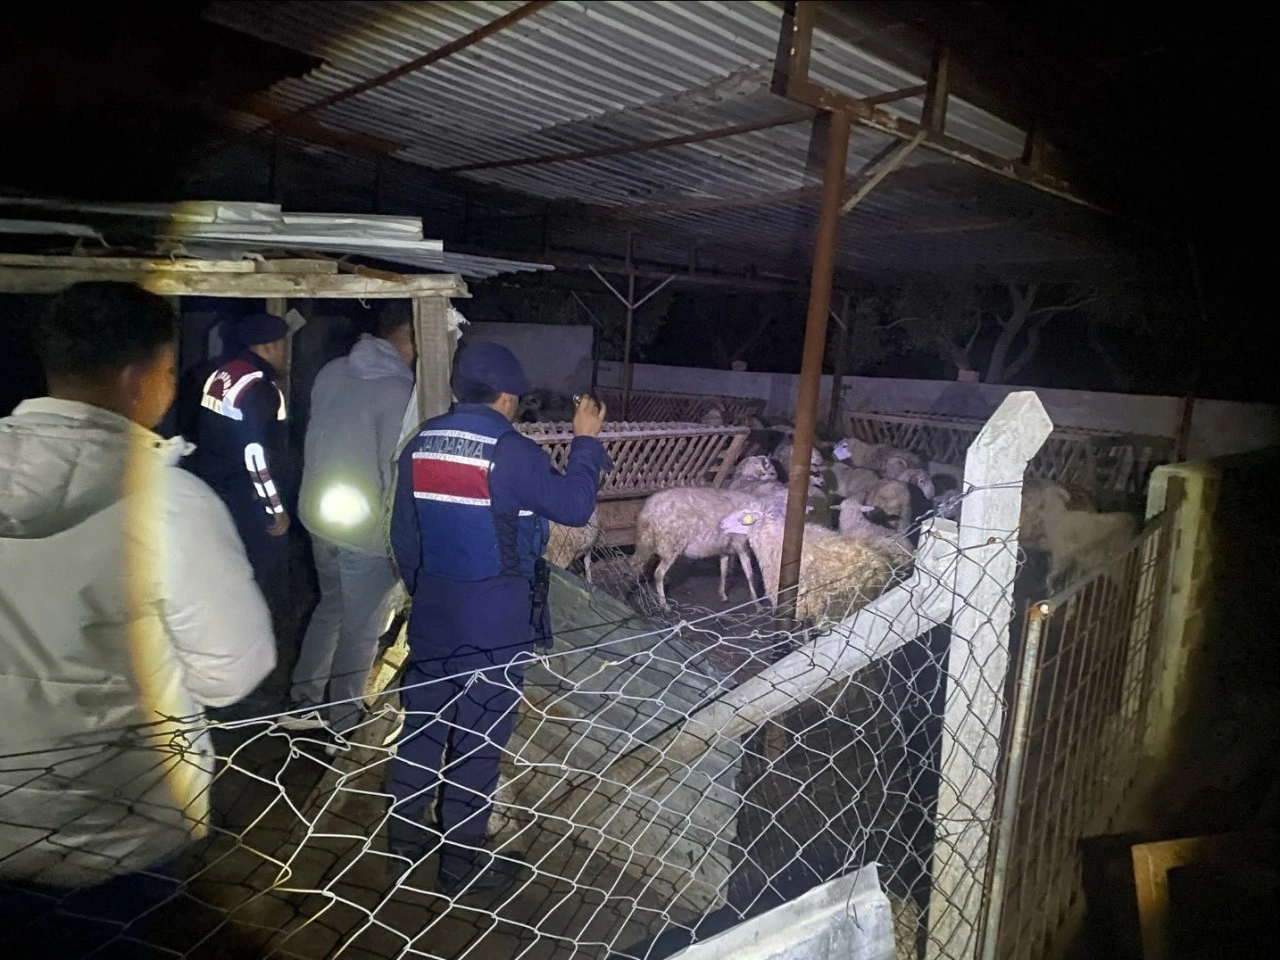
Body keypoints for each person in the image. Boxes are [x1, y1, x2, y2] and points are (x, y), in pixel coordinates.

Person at [0, 283, 274, 906]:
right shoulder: (170, 505)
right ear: (135, 378)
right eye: (170, 371)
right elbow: (232, 673)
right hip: (117, 827)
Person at [387, 341, 607, 895]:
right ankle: (459, 861)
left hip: (434, 611)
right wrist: (585, 441)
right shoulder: (512, 453)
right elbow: (575, 506)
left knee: (423, 727)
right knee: (479, 739)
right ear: (508, 397)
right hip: (494, 622)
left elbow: (404, 534)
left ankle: (404, 842)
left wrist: (426, 591)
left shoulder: (421, 444)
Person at [286, 304, 416, 735]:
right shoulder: (400, 390)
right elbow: (393, 471)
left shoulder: (332, 371)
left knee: (331, 608)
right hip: (364, 530)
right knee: (361, 630)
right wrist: (402, 535)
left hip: (320, 513)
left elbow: (315, 437)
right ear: (411, 337)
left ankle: (303, 702)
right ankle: (343, 724)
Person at [187, 312, 291, 588]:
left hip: (214, 485)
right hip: (246, 497)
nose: (285, 354)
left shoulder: (222, 374)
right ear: (270, 347)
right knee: (257, 572)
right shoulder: (259, 388)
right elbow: (255, 454)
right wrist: (274, 506)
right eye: (283, 346)